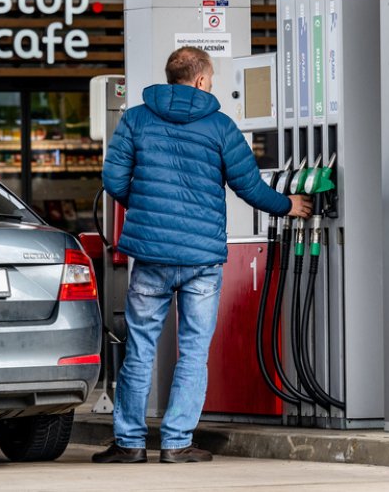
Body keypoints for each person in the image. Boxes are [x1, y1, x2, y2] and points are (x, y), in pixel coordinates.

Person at [92, 46, 312, 464]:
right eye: (210, 78)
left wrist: (145, 206)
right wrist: (288, 205)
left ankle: (129, 443)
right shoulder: (220, 126)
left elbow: (113, 179)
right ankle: (176, 443)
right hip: (201, 260)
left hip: (151, 256)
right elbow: (248, 186)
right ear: (199, 80)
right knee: (193, 351)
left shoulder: (136, 119)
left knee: (139, 347)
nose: (211, 84)